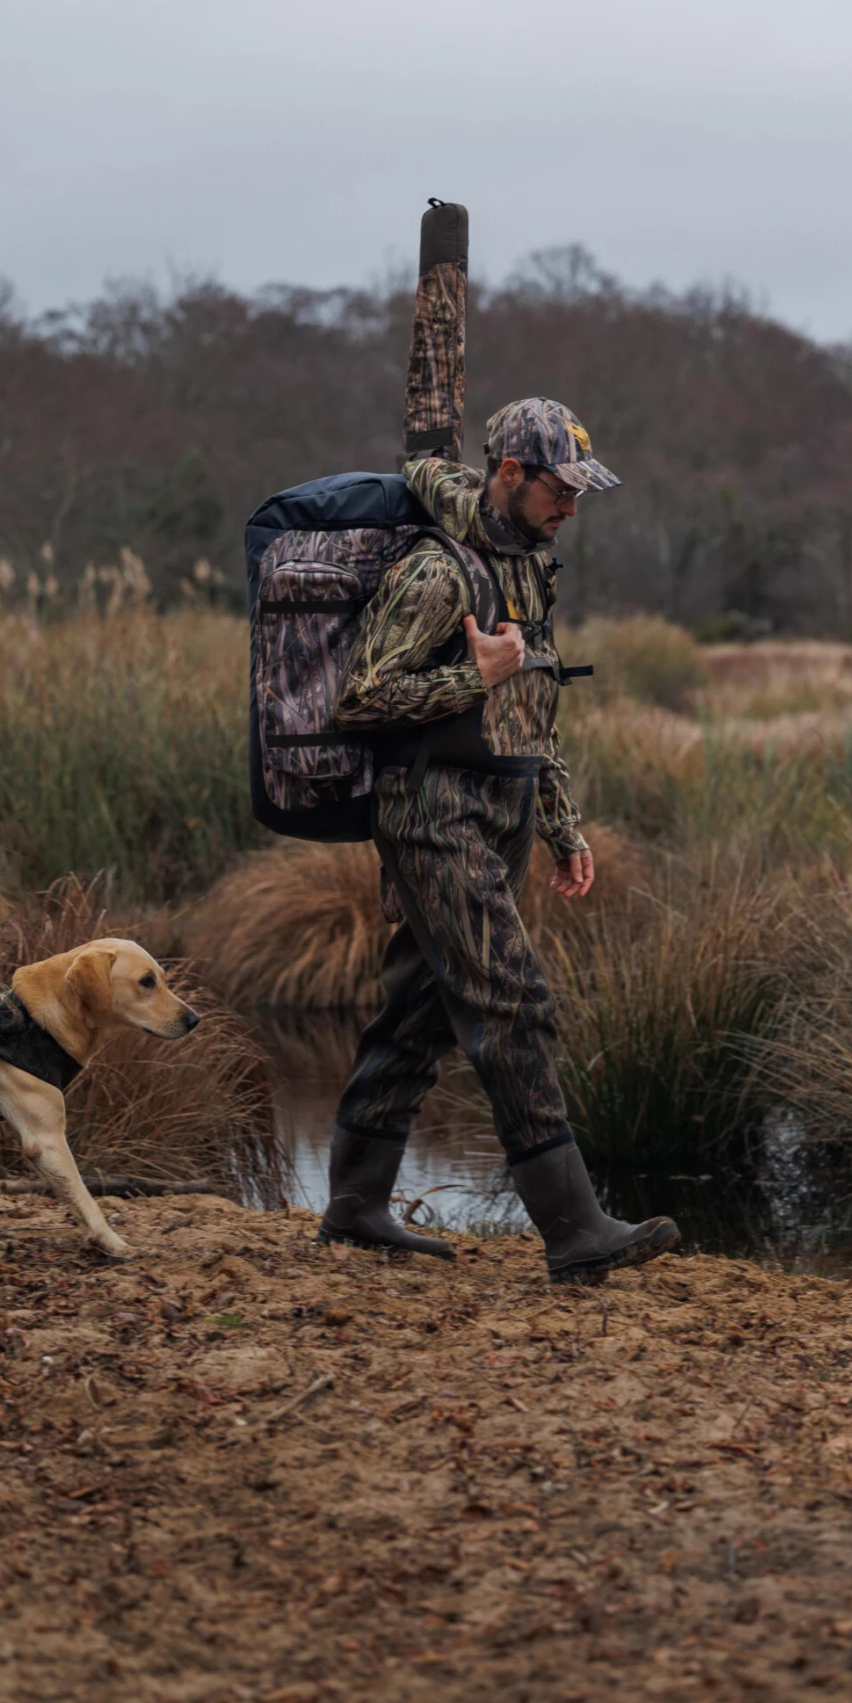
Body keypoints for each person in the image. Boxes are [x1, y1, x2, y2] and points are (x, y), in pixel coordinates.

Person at [319, 398, 679, 1283]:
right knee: (512, 1002)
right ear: (510, 473)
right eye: (561, 489)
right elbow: (357, 698)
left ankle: (355, 1208)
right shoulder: (437, 571)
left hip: (503, 809)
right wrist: (468, 676)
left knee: (419, 1012)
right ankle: (575, 1229)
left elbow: (532, 707)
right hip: (432, 812)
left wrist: (561, 824)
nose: (572, 508)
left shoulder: (529, 566)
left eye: (581, 493)